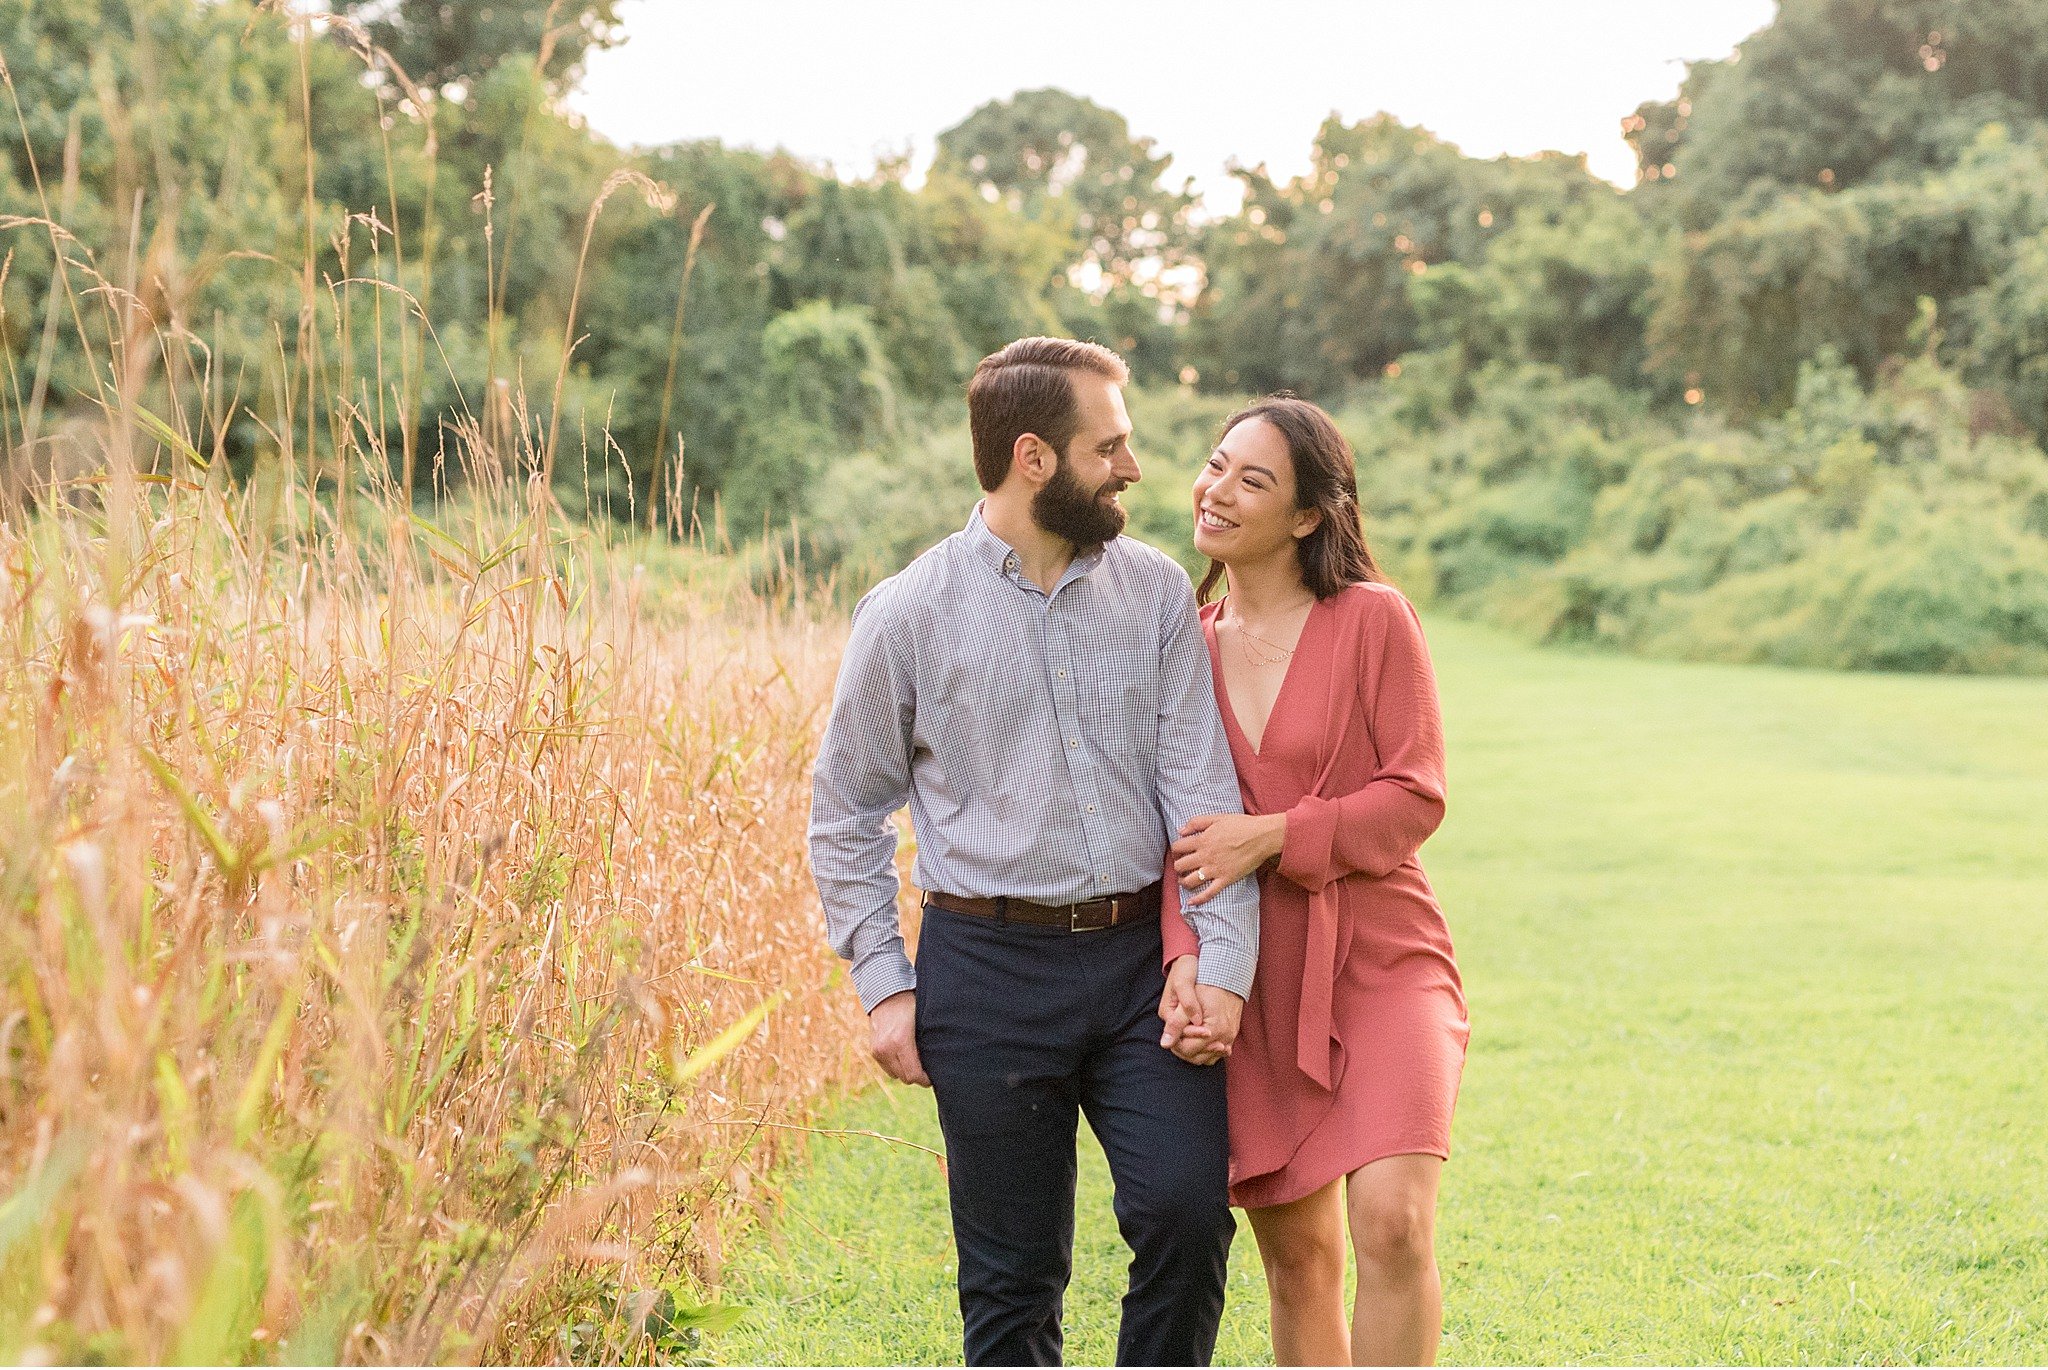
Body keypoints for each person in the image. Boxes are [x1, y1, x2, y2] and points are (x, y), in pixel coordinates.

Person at [807, 336, 1261, 1367]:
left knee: (1186, 1217)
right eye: (1111, 446)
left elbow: (1201, 794)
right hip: (984, 970)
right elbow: (845, 812)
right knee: (1009, 1282)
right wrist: (884, 984)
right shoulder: (907, 613)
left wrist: (1218, 961)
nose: (1135, 468)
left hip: (1143, 963)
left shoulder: (1153, 592)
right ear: (1034, 457)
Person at [1159, 395, 1469, 1367]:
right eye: (1215, 465)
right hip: (1255, 974)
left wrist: (1273, 834)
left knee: (1393, 1221)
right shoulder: (1182, 646)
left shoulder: (1371, 619)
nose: (1217, 489)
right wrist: (1183, 959)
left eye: (1252, 478)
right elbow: (1168, 834)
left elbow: (1413, 798)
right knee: (1298, 1259)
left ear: (1304, 516)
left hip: (1384, 955)